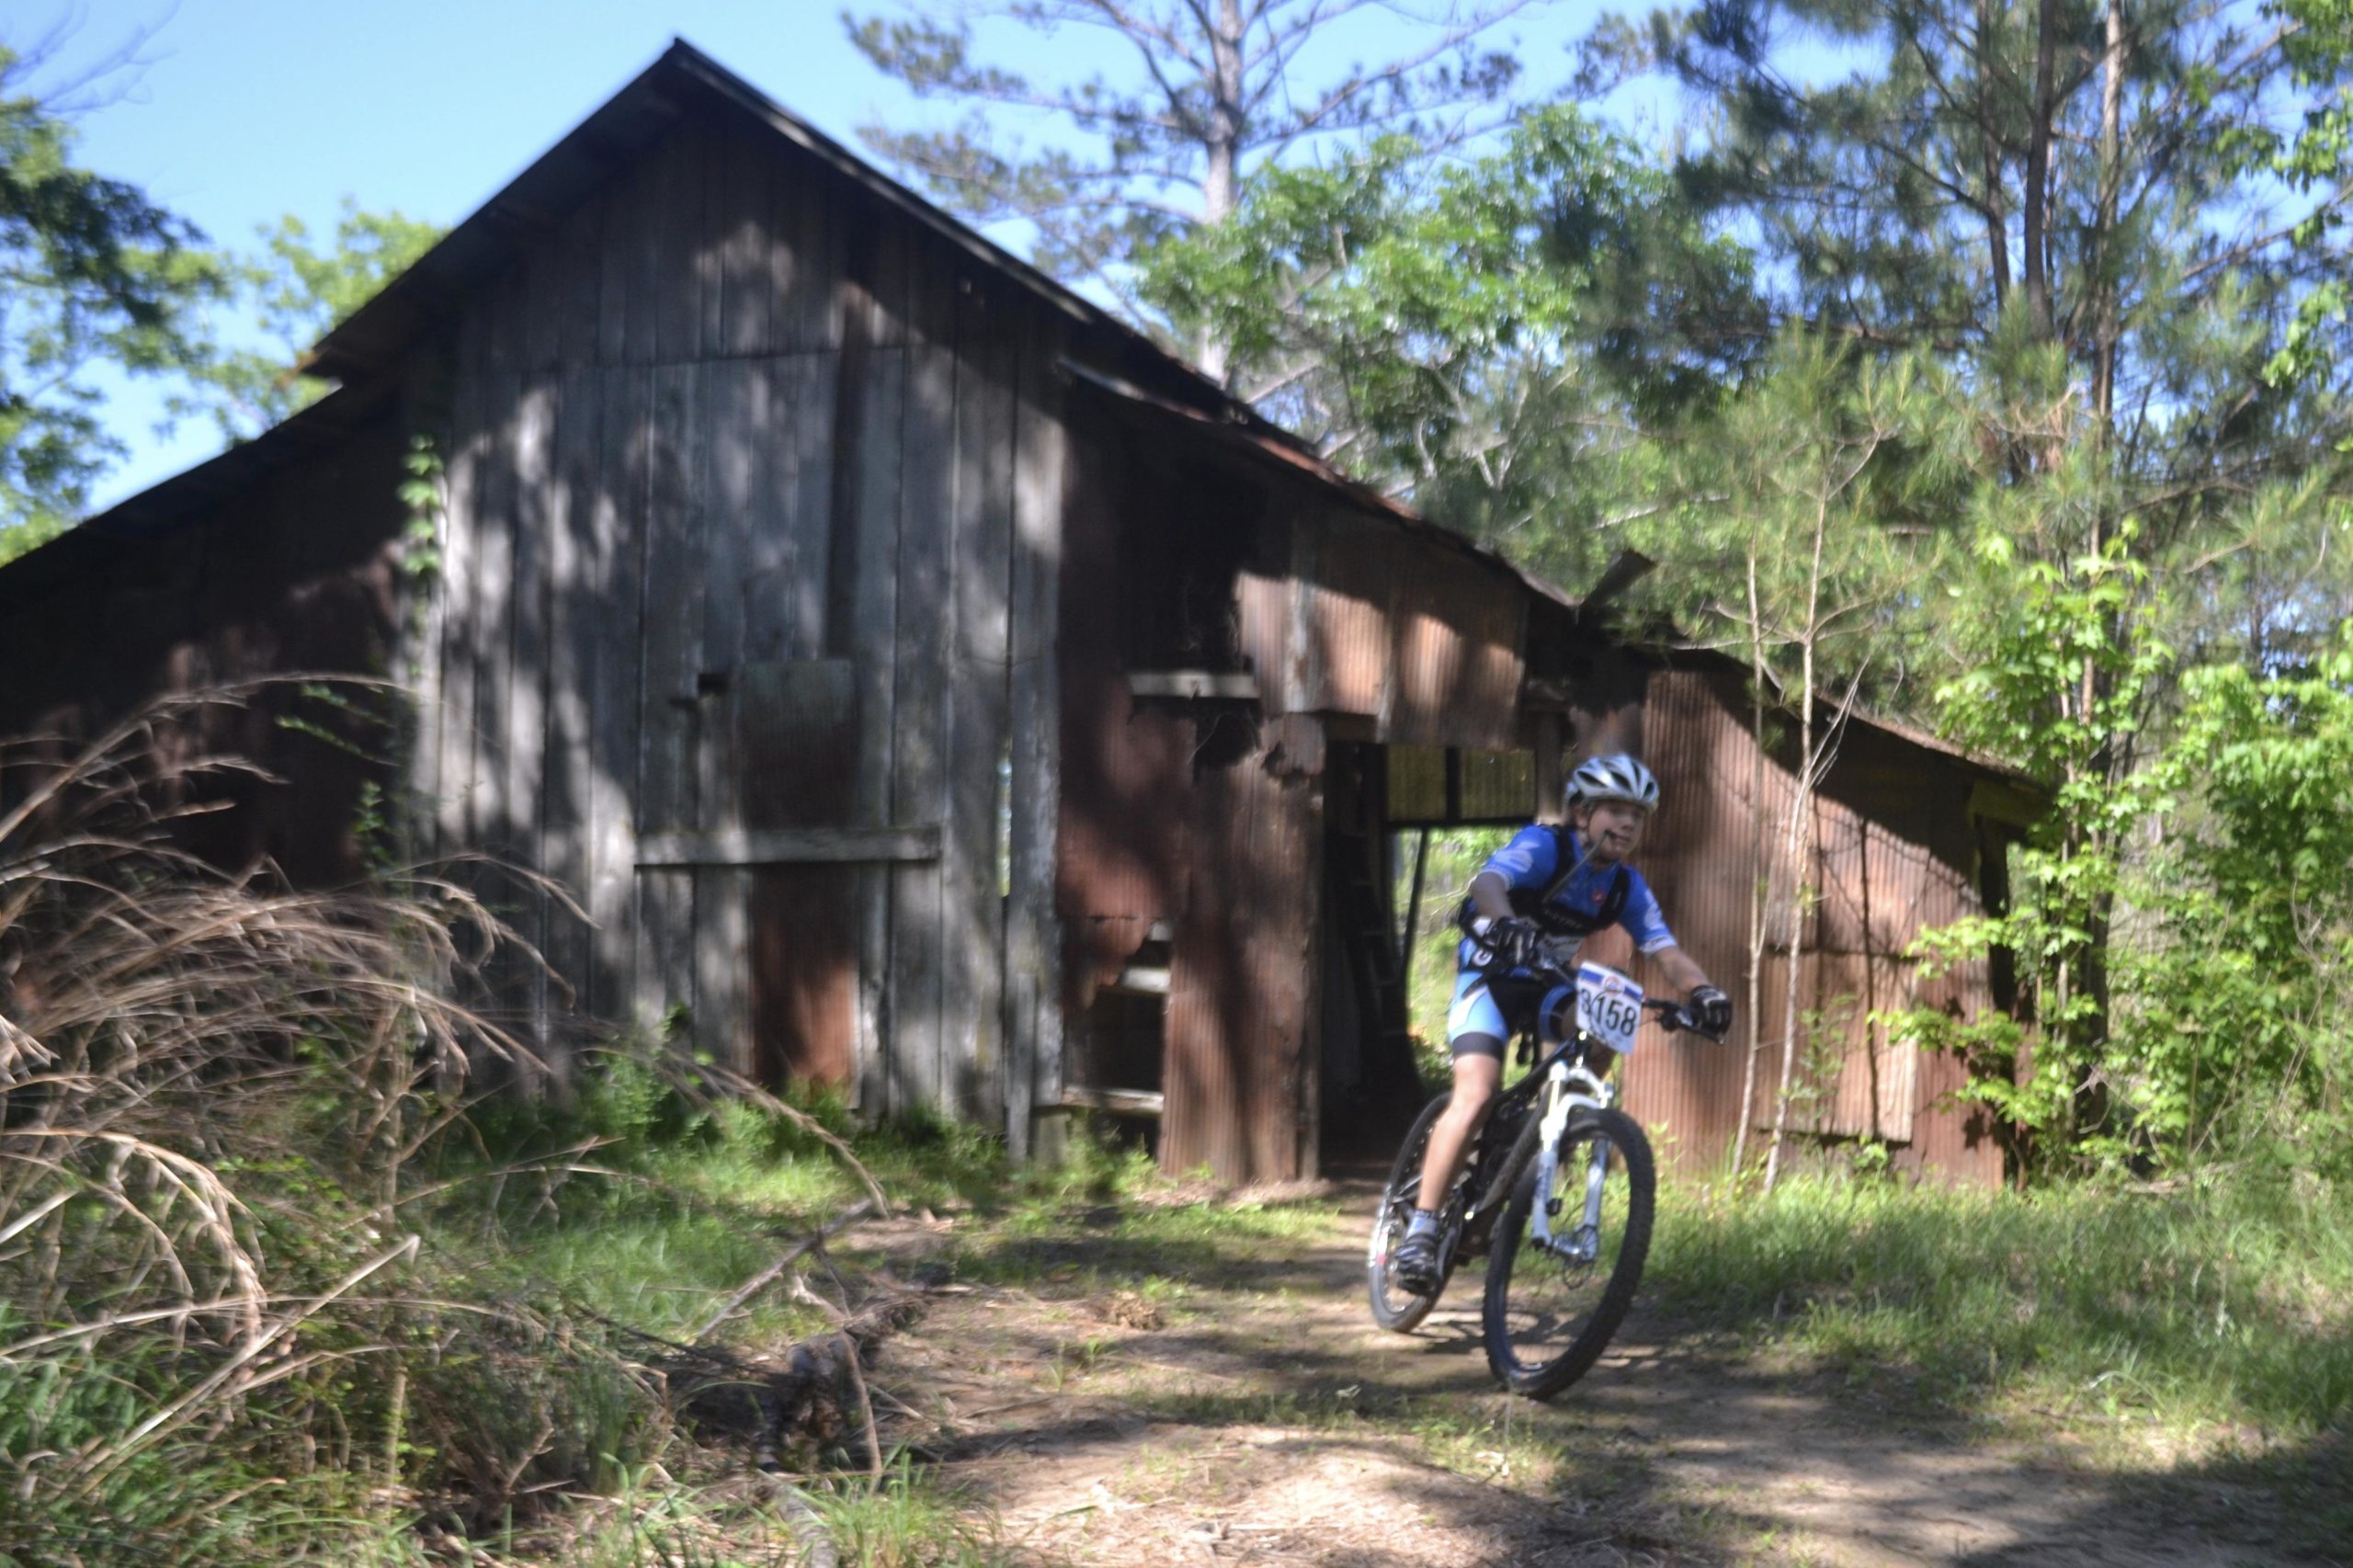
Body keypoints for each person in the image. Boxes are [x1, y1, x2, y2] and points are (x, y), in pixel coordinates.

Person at [1390, 753, 1732, 1294]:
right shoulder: (1546, 847)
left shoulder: (1624, 885)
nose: (1627, 824)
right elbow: (1488, 883)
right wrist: (1508, 925)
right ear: (1581, 813)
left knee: (1596, 1031)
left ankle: (1555, 1132)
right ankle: (1423, 1228)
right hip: (1490, 977)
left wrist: (1703, 991)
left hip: (1549, 979)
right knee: (1476, 1094)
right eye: (1615, 811)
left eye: (1637, 816)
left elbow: (1664, 950)